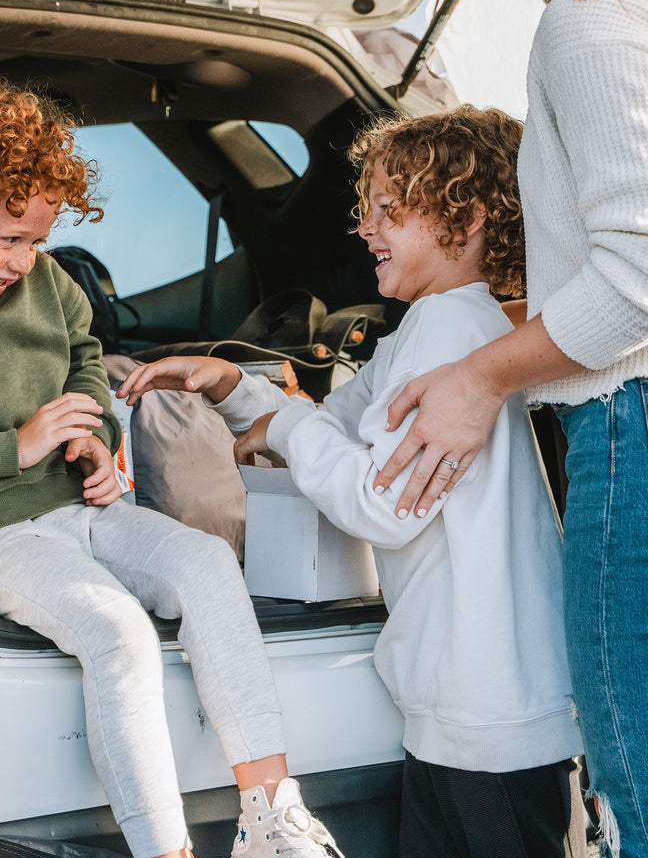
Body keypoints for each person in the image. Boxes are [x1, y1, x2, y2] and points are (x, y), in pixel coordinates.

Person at [0, 81, 344, 858]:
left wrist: (94, 429)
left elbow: (85, 365)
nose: (25, 262)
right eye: (9, 238)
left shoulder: (49, 285)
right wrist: (12, 446)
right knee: (116, 628)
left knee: (206, 562)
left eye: (38, 241)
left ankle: (270, 813)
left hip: (82, 504)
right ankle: (164, 849)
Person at [118, 106, 585, 858]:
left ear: (463, 223)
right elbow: (333, 420)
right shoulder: (433, 332)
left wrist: (286, 429)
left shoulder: (451, 334)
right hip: (459, 710)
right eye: (368, 211)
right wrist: (234, 385)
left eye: (391, 212)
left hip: (485, 719)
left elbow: (384, 503)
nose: (367, 229)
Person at [368, 0, 648, 853]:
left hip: (628, 430)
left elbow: (637, 274)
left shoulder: (591, 14)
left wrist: (482, 374)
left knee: (632, 782)